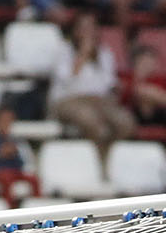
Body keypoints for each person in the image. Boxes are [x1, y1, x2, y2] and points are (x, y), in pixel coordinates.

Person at [50, 13, 131, 149]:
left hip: (100, 101)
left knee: (125, 123)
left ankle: (108, 159)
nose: (88, 33)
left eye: (92, 28)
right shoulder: (63, 50)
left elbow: (109, 83)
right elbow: (67, 79)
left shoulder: (104, 53)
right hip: (68, 101)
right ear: (75, 30)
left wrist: (117, 88)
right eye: (84, 28)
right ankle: (96, 164)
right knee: (94, 124)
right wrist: (83, 54)